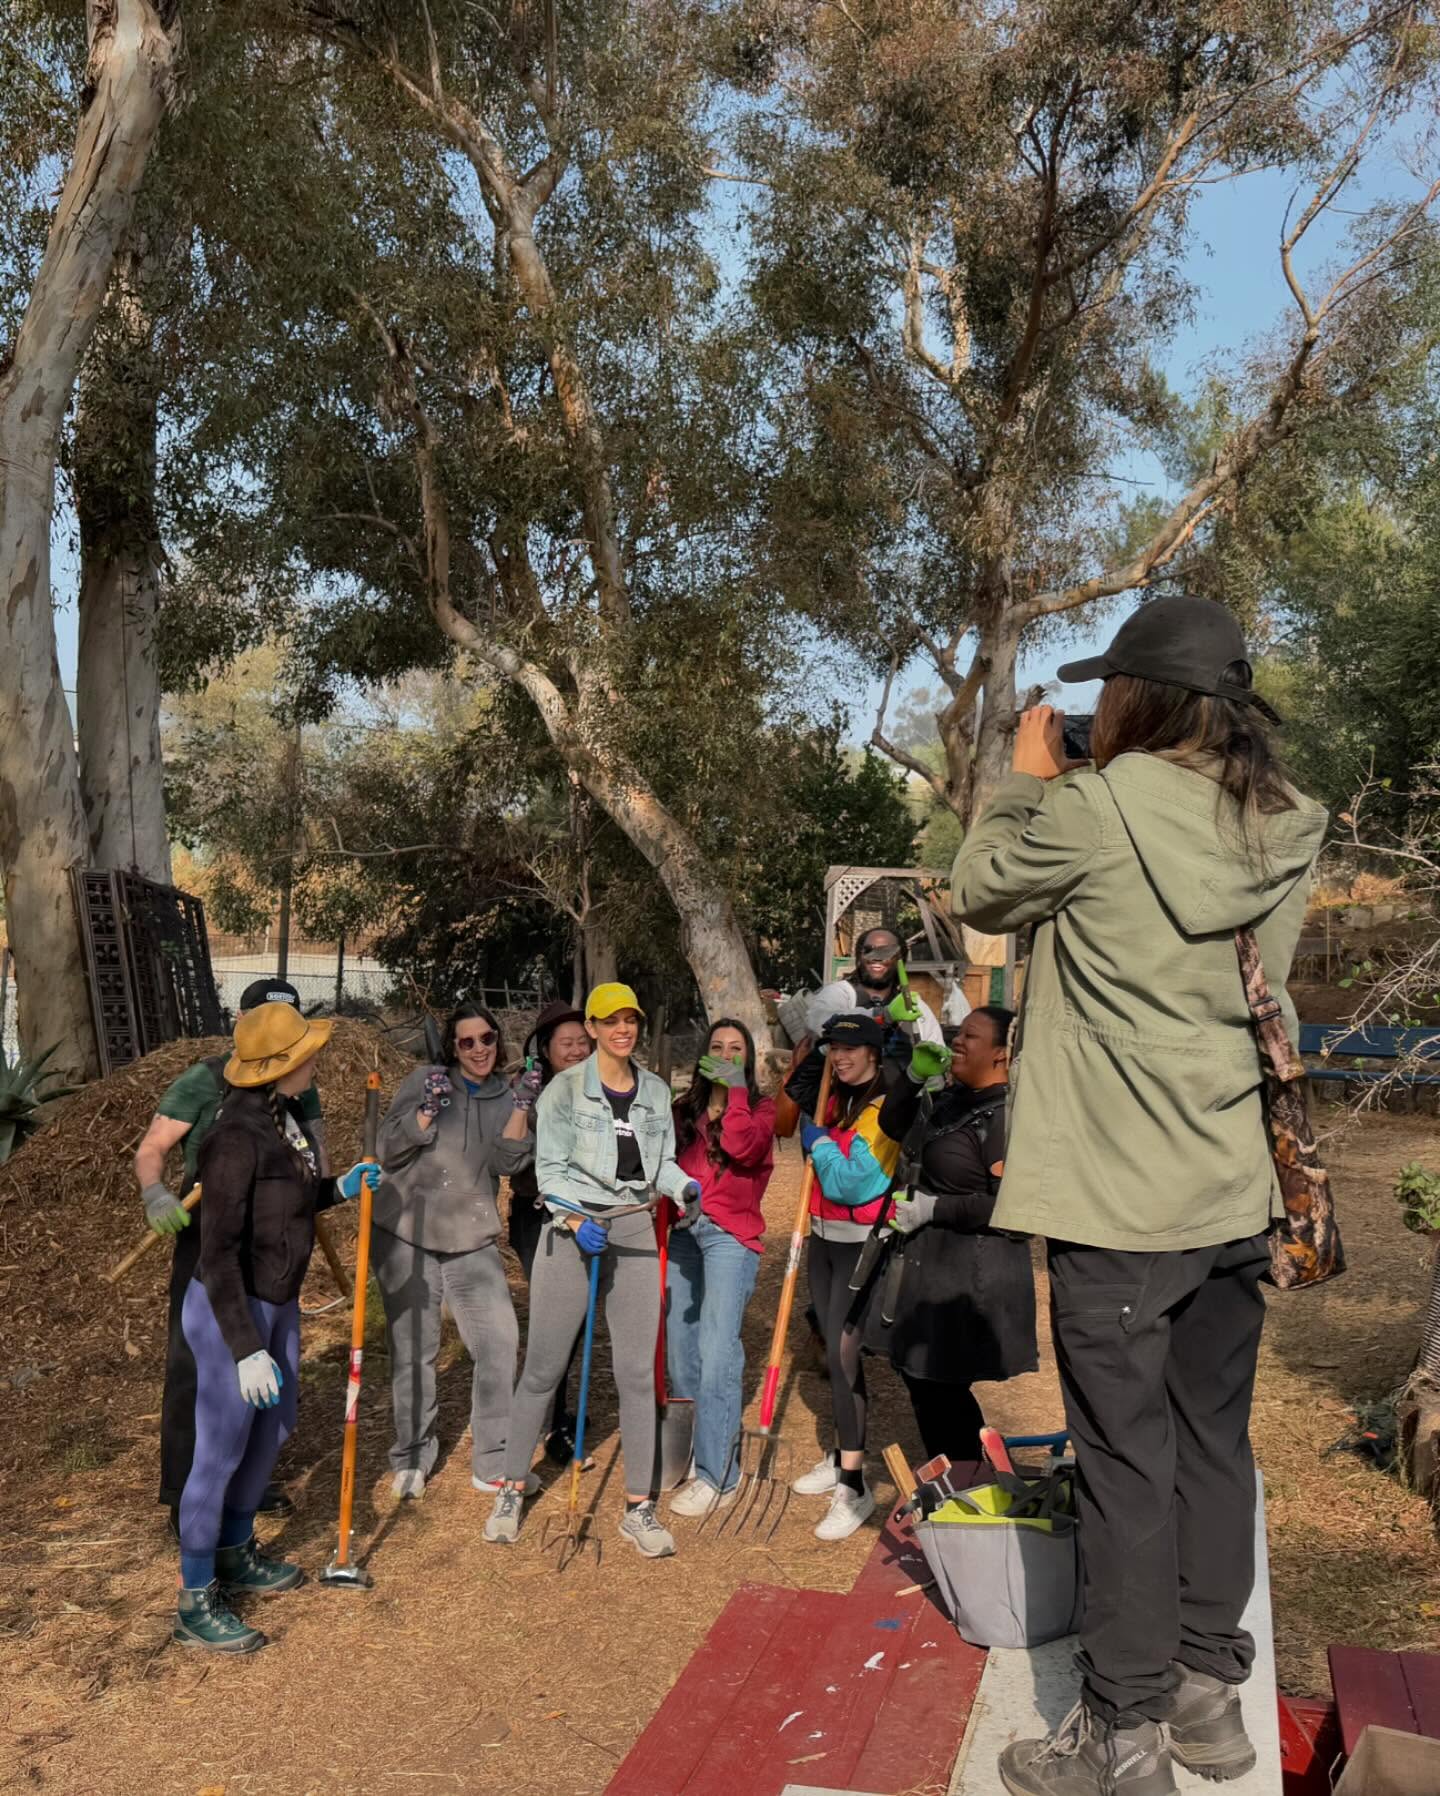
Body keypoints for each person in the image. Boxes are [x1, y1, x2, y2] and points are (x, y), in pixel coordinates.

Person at [951, 597, 1327, 1796]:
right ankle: (1209, 1694)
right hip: (1233, 1187)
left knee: (1124, 1461)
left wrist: (1025, 782)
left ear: (1135, 699)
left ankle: (1121, 1731)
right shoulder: (1283, 816)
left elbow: (979, 892)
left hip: (1118, 1198)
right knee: (1213, 1439)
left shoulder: (1090, 807)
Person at [174, 1003, 379, 1653]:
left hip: (277, 1302)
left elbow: (290, 1200)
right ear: (277, 1067)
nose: (315, 1060)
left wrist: (339, 1188)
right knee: (220, 1448)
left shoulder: (280, 1119)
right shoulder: (233, 1139)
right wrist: (244, 1351)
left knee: (275, 1426)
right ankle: (195, 1598)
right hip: (230, 1311)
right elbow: (216, 1254)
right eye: (305, 1053)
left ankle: (236, 1550)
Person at [483, 982, 700, 1558]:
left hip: (632, 1227)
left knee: (636, 1373)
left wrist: (684, 1187)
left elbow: (663, 1164)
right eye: (611, 1021)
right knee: (543, 1367)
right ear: (595, 1029)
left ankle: (639, 1507)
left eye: (630, 1020)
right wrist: (575, 1219)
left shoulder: (655, 1092)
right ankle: (510, 1489)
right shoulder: (563, 1091)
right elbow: (549, 1170)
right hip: (571, 1229)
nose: (622, 1030)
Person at [134, 977, 326, 1525]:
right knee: (195, 1367)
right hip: (209, 1236)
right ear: (241, 1023)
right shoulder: (205, 1080)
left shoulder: (299, 1086)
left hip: (266, 1240)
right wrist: (155, 1193)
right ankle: (185, 1495)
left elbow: (314, 1153)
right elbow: (152, 1147)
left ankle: (243, 1486)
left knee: (264, 1371)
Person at [372, 1003, 534, 1502]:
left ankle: (493, 1459)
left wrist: (523, 1108)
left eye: (487, 1038)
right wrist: (425, 1111)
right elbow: (384, 1149)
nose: (479, 1049)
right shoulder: (425, 1080)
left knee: (500, 1340)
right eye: (467, 1042)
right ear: (452, 1047)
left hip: (471, 1235)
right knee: (414, 1350)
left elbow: (507, 1164)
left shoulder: (508, 1094)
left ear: (498, 1041)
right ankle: (412, 1456)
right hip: (407, 1228)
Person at [862, 1008, 1036, 1470]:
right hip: (930, 1267)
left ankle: (971, 1480)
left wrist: (934, 1208)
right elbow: (893, 1125)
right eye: (958, 1033)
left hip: (971, 1277)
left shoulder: (1005, 1117)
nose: (957, 1041)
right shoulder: (954, 1099)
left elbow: (1013, 1208)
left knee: (938, 1387)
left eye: (971, 1037)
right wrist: (913, 1078)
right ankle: (964, 1481)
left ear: (1001, 1054)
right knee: (924, 1382)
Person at [788, 1011, 904, 1542]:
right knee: (834, 1353)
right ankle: (840, 1456)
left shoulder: (882, 1108)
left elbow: (850, 1185)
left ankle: (855, 1487)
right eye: (834, 1048)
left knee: (842, 1353)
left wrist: (817, 1143)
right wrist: (817, 1053)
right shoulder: (833, 1097)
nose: (840, 1057)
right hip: (823, 1241)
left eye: (850, 1049)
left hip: (861, 1245)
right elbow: (798, 1091)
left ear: (874, 1053)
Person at [665, 1018, 777, 1518]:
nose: (727, 1055)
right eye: (717, 1047)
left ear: (748, 1059)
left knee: (716, 1349)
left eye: (737, 1049)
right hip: (683, 1234)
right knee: (680, 1346)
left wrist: (734, 1093)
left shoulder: (759, 1110)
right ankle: (694, 1448)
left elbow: (741, 1148)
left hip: (731, 1238)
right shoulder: (683, 1111)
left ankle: (719, 1474)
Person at [506, 999, 593, 1465]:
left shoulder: (599, 1085)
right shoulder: (528, 1092)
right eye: (566, 1043)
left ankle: (557, 1413)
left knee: (574, 1322)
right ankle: (547, 1423)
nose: (576, 1050)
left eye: (583, 1042)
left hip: (583, 1214)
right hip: (537, 1213)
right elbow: (513, 1155)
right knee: (551, 1322)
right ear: (544, 1049)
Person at [803, 927, 951, 1055]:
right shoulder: (840, 992)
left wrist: (929, 1071)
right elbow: (817, 1021)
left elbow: (936, 1049)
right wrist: (882, 1015)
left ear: (901, 961)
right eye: (868, 950)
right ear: (859, 958)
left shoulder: (913, 1004)